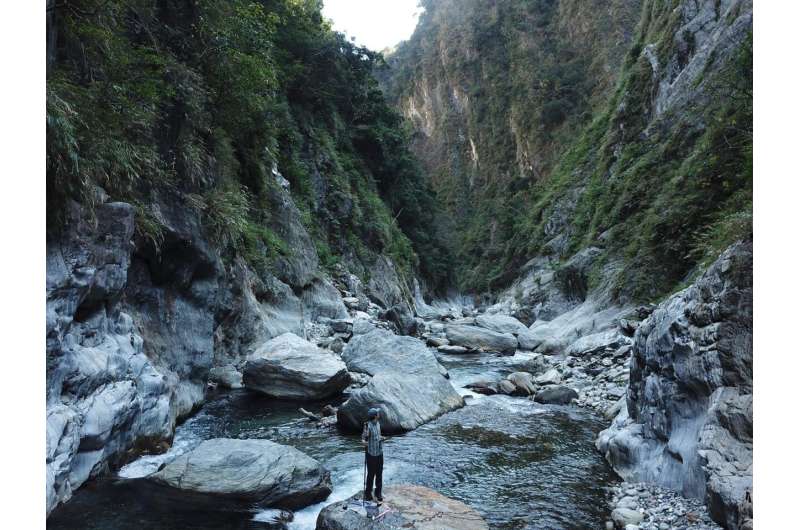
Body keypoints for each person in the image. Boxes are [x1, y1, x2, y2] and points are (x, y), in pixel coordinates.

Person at [361, 407, 384, 502]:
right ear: (375, 416)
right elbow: (363, 438)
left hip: (379, 452)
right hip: (371, 454)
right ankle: (368, 493)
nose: (379, 414)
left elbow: (377, 436)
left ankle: (378, 493)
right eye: (377, 413)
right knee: (371, 475)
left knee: (379, 474)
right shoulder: (368, 426)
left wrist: (381, 438)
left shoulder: (378, 424)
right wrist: (363, 442)